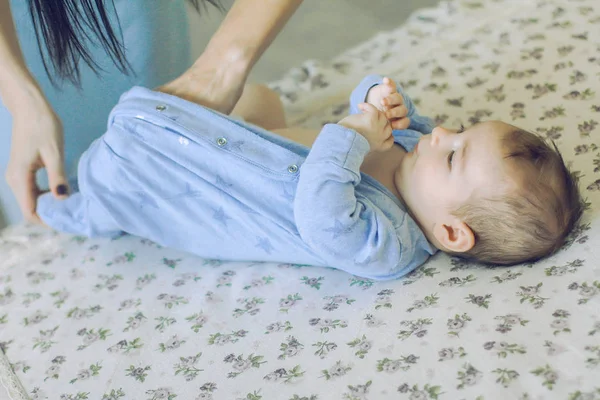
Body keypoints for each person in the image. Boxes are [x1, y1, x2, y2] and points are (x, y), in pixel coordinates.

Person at [34, 74, 583, 280]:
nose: (439, 132)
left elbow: (319, 211)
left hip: (216, 195)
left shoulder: (387, 244)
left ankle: (68, 210)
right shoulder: (419, 157)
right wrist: (380, 103)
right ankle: (263, 121)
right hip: (268, 142)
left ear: (452, 233)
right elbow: (393, 122)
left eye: (454, 154)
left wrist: (353, 133)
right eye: (459, 129)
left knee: (114, 185)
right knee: (262, 98)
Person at [0, 0, 303, 228]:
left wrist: (224, 64)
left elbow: (261, 104)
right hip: (15, 49)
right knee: (51, 192)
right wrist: (21, 99)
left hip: (134, 20)